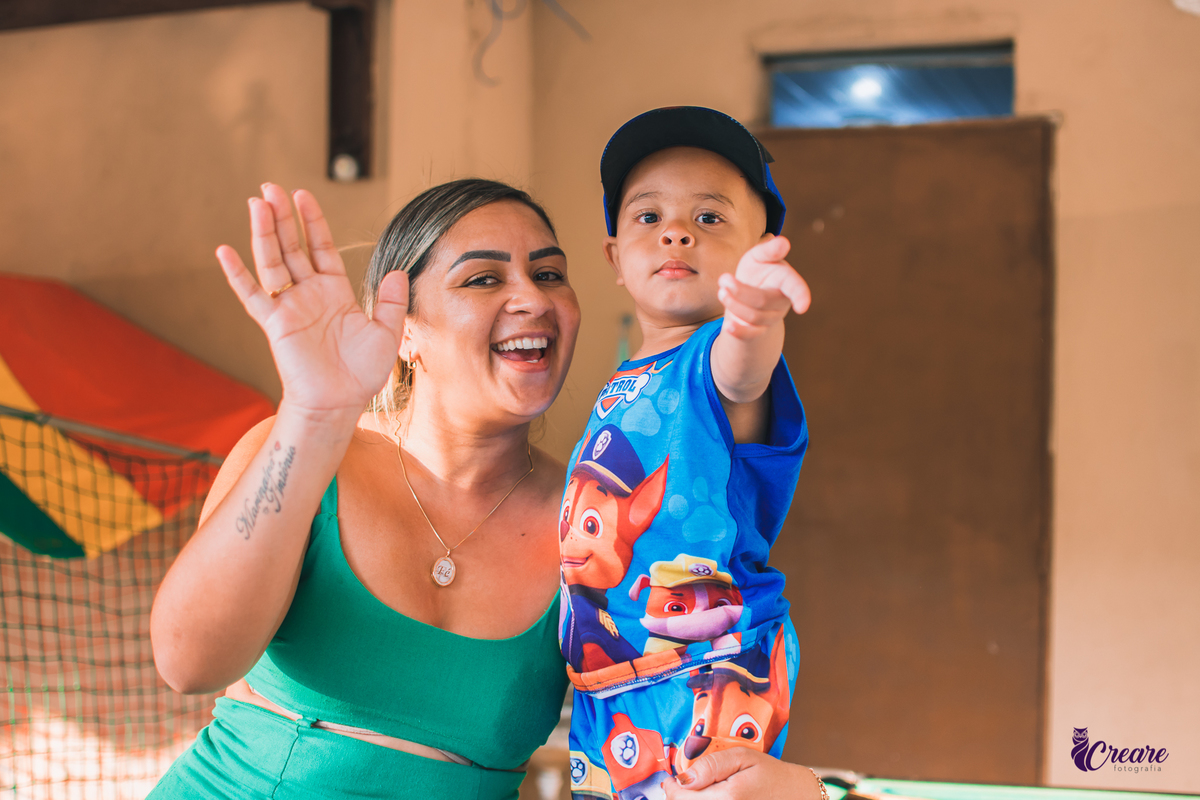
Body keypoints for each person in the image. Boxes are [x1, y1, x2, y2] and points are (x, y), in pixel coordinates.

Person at [149, 177, 825, 800]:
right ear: (405, 328)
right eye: (482, 278)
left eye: (550, 273)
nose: (531, 297)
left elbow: (685, 684)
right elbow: (188, 661)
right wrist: (313, 414)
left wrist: (799, 790)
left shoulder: (595, 520)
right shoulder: (308, 449)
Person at [558, 107, 814, 800]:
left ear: (761, 247)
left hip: (705, 669)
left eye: (709, 218)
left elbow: (743, 367)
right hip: (614, 684)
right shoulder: (626, 377)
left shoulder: (715, 359)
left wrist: (754, 318)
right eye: (648, 217)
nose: (676, 230)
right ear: (614, 257)